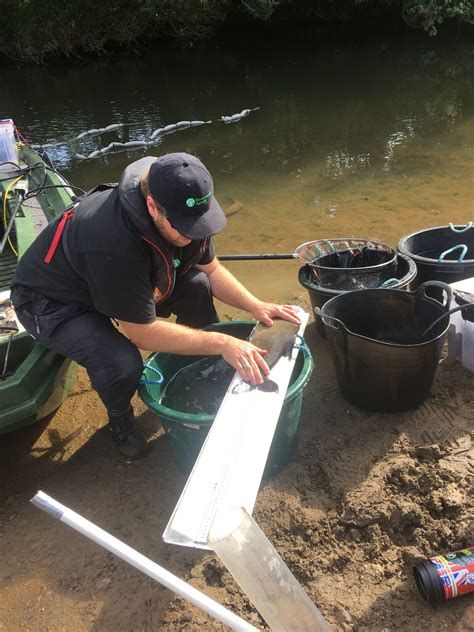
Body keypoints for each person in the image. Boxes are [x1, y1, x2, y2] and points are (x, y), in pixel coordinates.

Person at [11, 152, 300, 459]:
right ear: (152, 206)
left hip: (110, 280)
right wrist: (223, 342)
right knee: (122, 363)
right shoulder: (112, 240)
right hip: (54, 300)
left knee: (197, 286)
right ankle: (120, 417)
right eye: (184, 229)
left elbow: (212, 271)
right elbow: (142, 334)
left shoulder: (185, 210)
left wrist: (256, 306)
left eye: (199, 225)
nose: (192, 236)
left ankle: (207, 368)